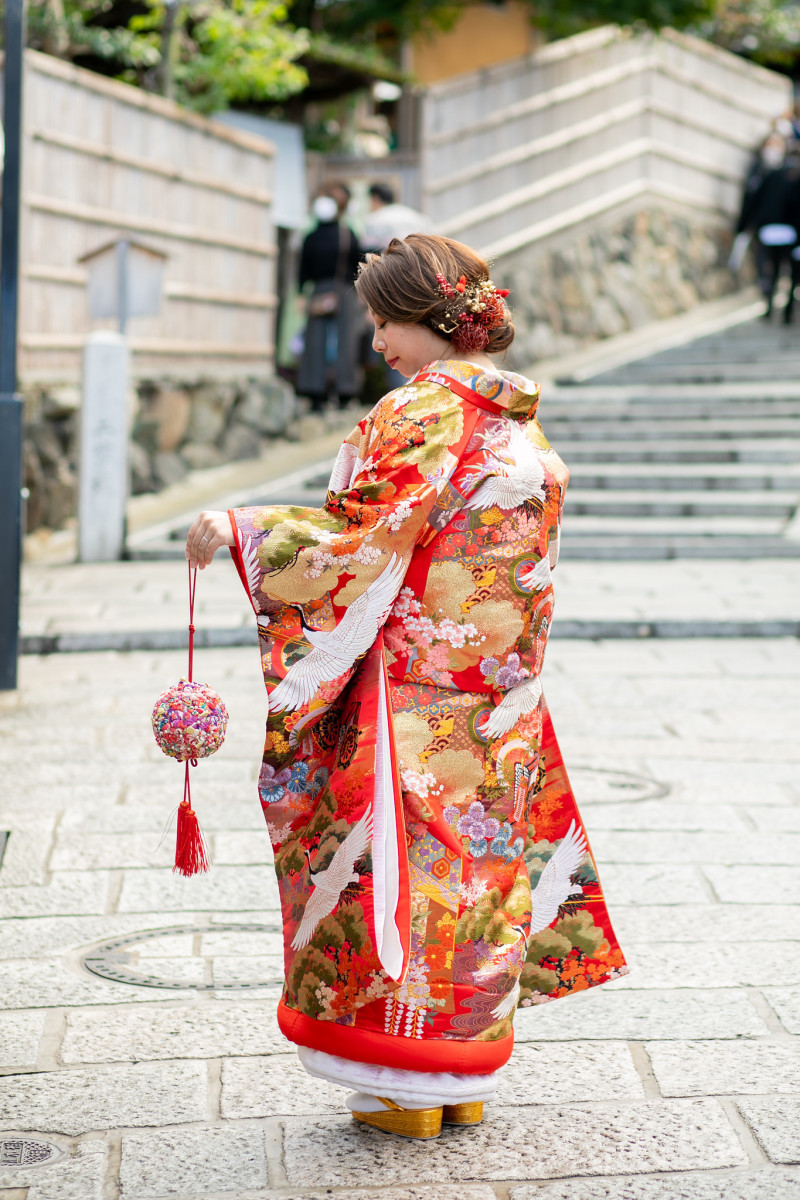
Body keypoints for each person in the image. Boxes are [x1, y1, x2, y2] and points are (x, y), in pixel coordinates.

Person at [186, 234, 628, 1141]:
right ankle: (459, 1077)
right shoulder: (518, 424)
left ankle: (397, 1080)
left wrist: (239, 530)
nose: (379, 340)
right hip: (501, 699)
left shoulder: (421, 411)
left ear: (428, 318)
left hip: (413, 695)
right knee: (477, 873)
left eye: (386, 321)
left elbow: (364, 541)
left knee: (397, 869)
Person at [297, 185, 363, 412]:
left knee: (346, 341)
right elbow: (303, 267)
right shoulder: (310, 236)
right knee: (315, 341)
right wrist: (300, 293)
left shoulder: (348, 233)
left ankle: (345, 391)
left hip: (344, 290)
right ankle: (314, 392)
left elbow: (358, 264)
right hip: (319, 290)